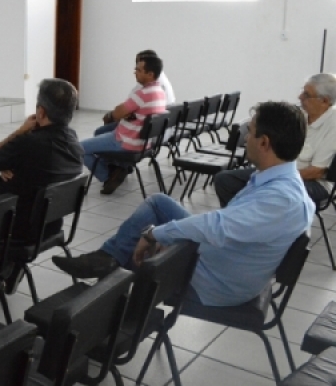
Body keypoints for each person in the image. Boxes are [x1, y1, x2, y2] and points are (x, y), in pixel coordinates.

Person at [54, 101, 314, 307]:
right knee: (158, 203)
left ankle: (106, 309)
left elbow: (218, 226)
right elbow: (226, 225)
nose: (245, 138)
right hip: (222, 258)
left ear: (265, 143)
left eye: (251, 133)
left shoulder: (281, 198)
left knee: (141, 248)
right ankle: (109, 261)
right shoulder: (279, 179)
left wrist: (157, 233)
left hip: (213, 282)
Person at [0, 78, 84, 302]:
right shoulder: (75, 144)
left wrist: (19, 132)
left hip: (7, 228)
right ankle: (10, 266)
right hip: (49, 226)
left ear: (40, 112)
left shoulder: (27, 143)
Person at [215, 73, 336, 207]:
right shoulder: (301, 114)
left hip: (314, 183)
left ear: (325, 101)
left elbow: (316, 171)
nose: (300, 97)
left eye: (306, 95)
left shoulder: (333, 125)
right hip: (281, 171)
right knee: (225, 179)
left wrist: (271, 178)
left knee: (267, 193)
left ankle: (257, 223)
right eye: (302, 91)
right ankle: (237, 222)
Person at [81, 55, 167, 194]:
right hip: (143, 142)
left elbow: (116, 113)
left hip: (125, 141)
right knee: (100, 134)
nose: (135, 72)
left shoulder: (142, 93)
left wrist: (123, 113)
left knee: (80, 148)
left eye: (139, 70)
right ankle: (115, 171)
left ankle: (108, 176)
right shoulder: (160, 92)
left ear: (150, 74)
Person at [94, 50, 175, 137]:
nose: (135, 69)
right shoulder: (159, 84)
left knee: (102, 129)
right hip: (158, 127)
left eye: (139, 67)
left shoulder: (148, 88)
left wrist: (112, 115)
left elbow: (125, 111)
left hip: (143, 131)